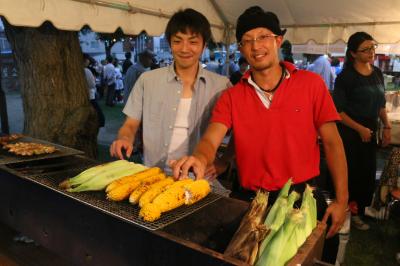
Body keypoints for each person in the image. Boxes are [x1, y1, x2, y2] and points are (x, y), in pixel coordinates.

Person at [171, 6, 348, 263]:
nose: (256, 46)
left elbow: (333, 145)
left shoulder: (311, 85)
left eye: (263, 37)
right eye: (247, 41)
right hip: (250, 200)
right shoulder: (232, 96)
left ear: (278, 40)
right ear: (241, 49)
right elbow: (211, 138)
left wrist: (342, 200)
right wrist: (200, 158)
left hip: (301, 199)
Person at [110, 8, 231, 177]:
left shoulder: (221, 86)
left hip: (197, 179)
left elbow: (241, 131)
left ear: (204, 45)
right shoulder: (148, 80)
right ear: (169, 42)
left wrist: (224, 160)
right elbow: (130, 125)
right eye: (177, 41)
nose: (184, 48)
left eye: (193, 42)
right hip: (152, 174)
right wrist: (124, 138)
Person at [333, 32, 391, 230]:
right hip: (351, 132)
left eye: (372, 47)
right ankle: (349, 212)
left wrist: (387, 126)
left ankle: (362, 207)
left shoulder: (377, 73)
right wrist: (359, 129)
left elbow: (381, 103)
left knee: (367, 171)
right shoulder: (346, 77)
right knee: (352, 172)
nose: (371, 52)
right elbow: (338, 112)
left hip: (371, 129)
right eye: (365, 50)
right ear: (352, 54)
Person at [83, 53, 105, 128]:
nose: (88, 61)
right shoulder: (86, 71)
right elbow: (92, 84)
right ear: (85, 60)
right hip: (90, 95)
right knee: (100, 116)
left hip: (84, 95)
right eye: (88, 60)